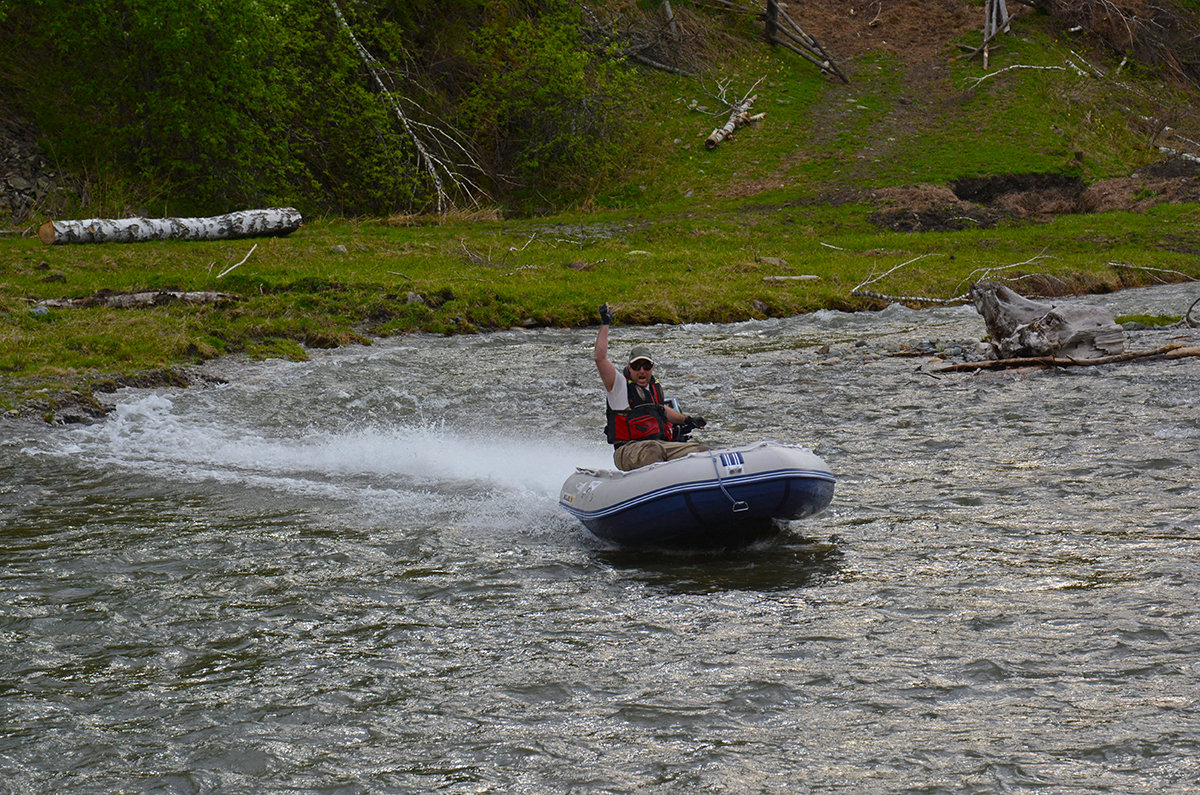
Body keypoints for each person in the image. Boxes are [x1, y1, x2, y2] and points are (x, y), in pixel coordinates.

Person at [594, 302, 710, 471]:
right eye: (637, 366)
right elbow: (600, 358)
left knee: (701, 451)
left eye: (646, 366)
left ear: (652, 368)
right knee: (652, 451)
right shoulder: (618, 385)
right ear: (630, 368)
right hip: (628, 450)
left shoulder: (654, 388)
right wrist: (605, 323)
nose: (642, 371)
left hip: (659, 445)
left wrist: (688, 420)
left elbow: (662, 410)